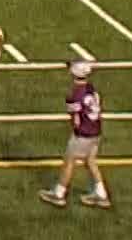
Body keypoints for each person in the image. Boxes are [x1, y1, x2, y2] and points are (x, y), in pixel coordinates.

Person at [39, 60, 110, 209]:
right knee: (90, 161)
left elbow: (75, 118)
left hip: (83, 133)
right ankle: (101, 193)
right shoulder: (91, 89)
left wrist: (76, 131)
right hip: (96, 130)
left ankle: (59, 193)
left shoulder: (74, 95)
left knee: (69, 160)